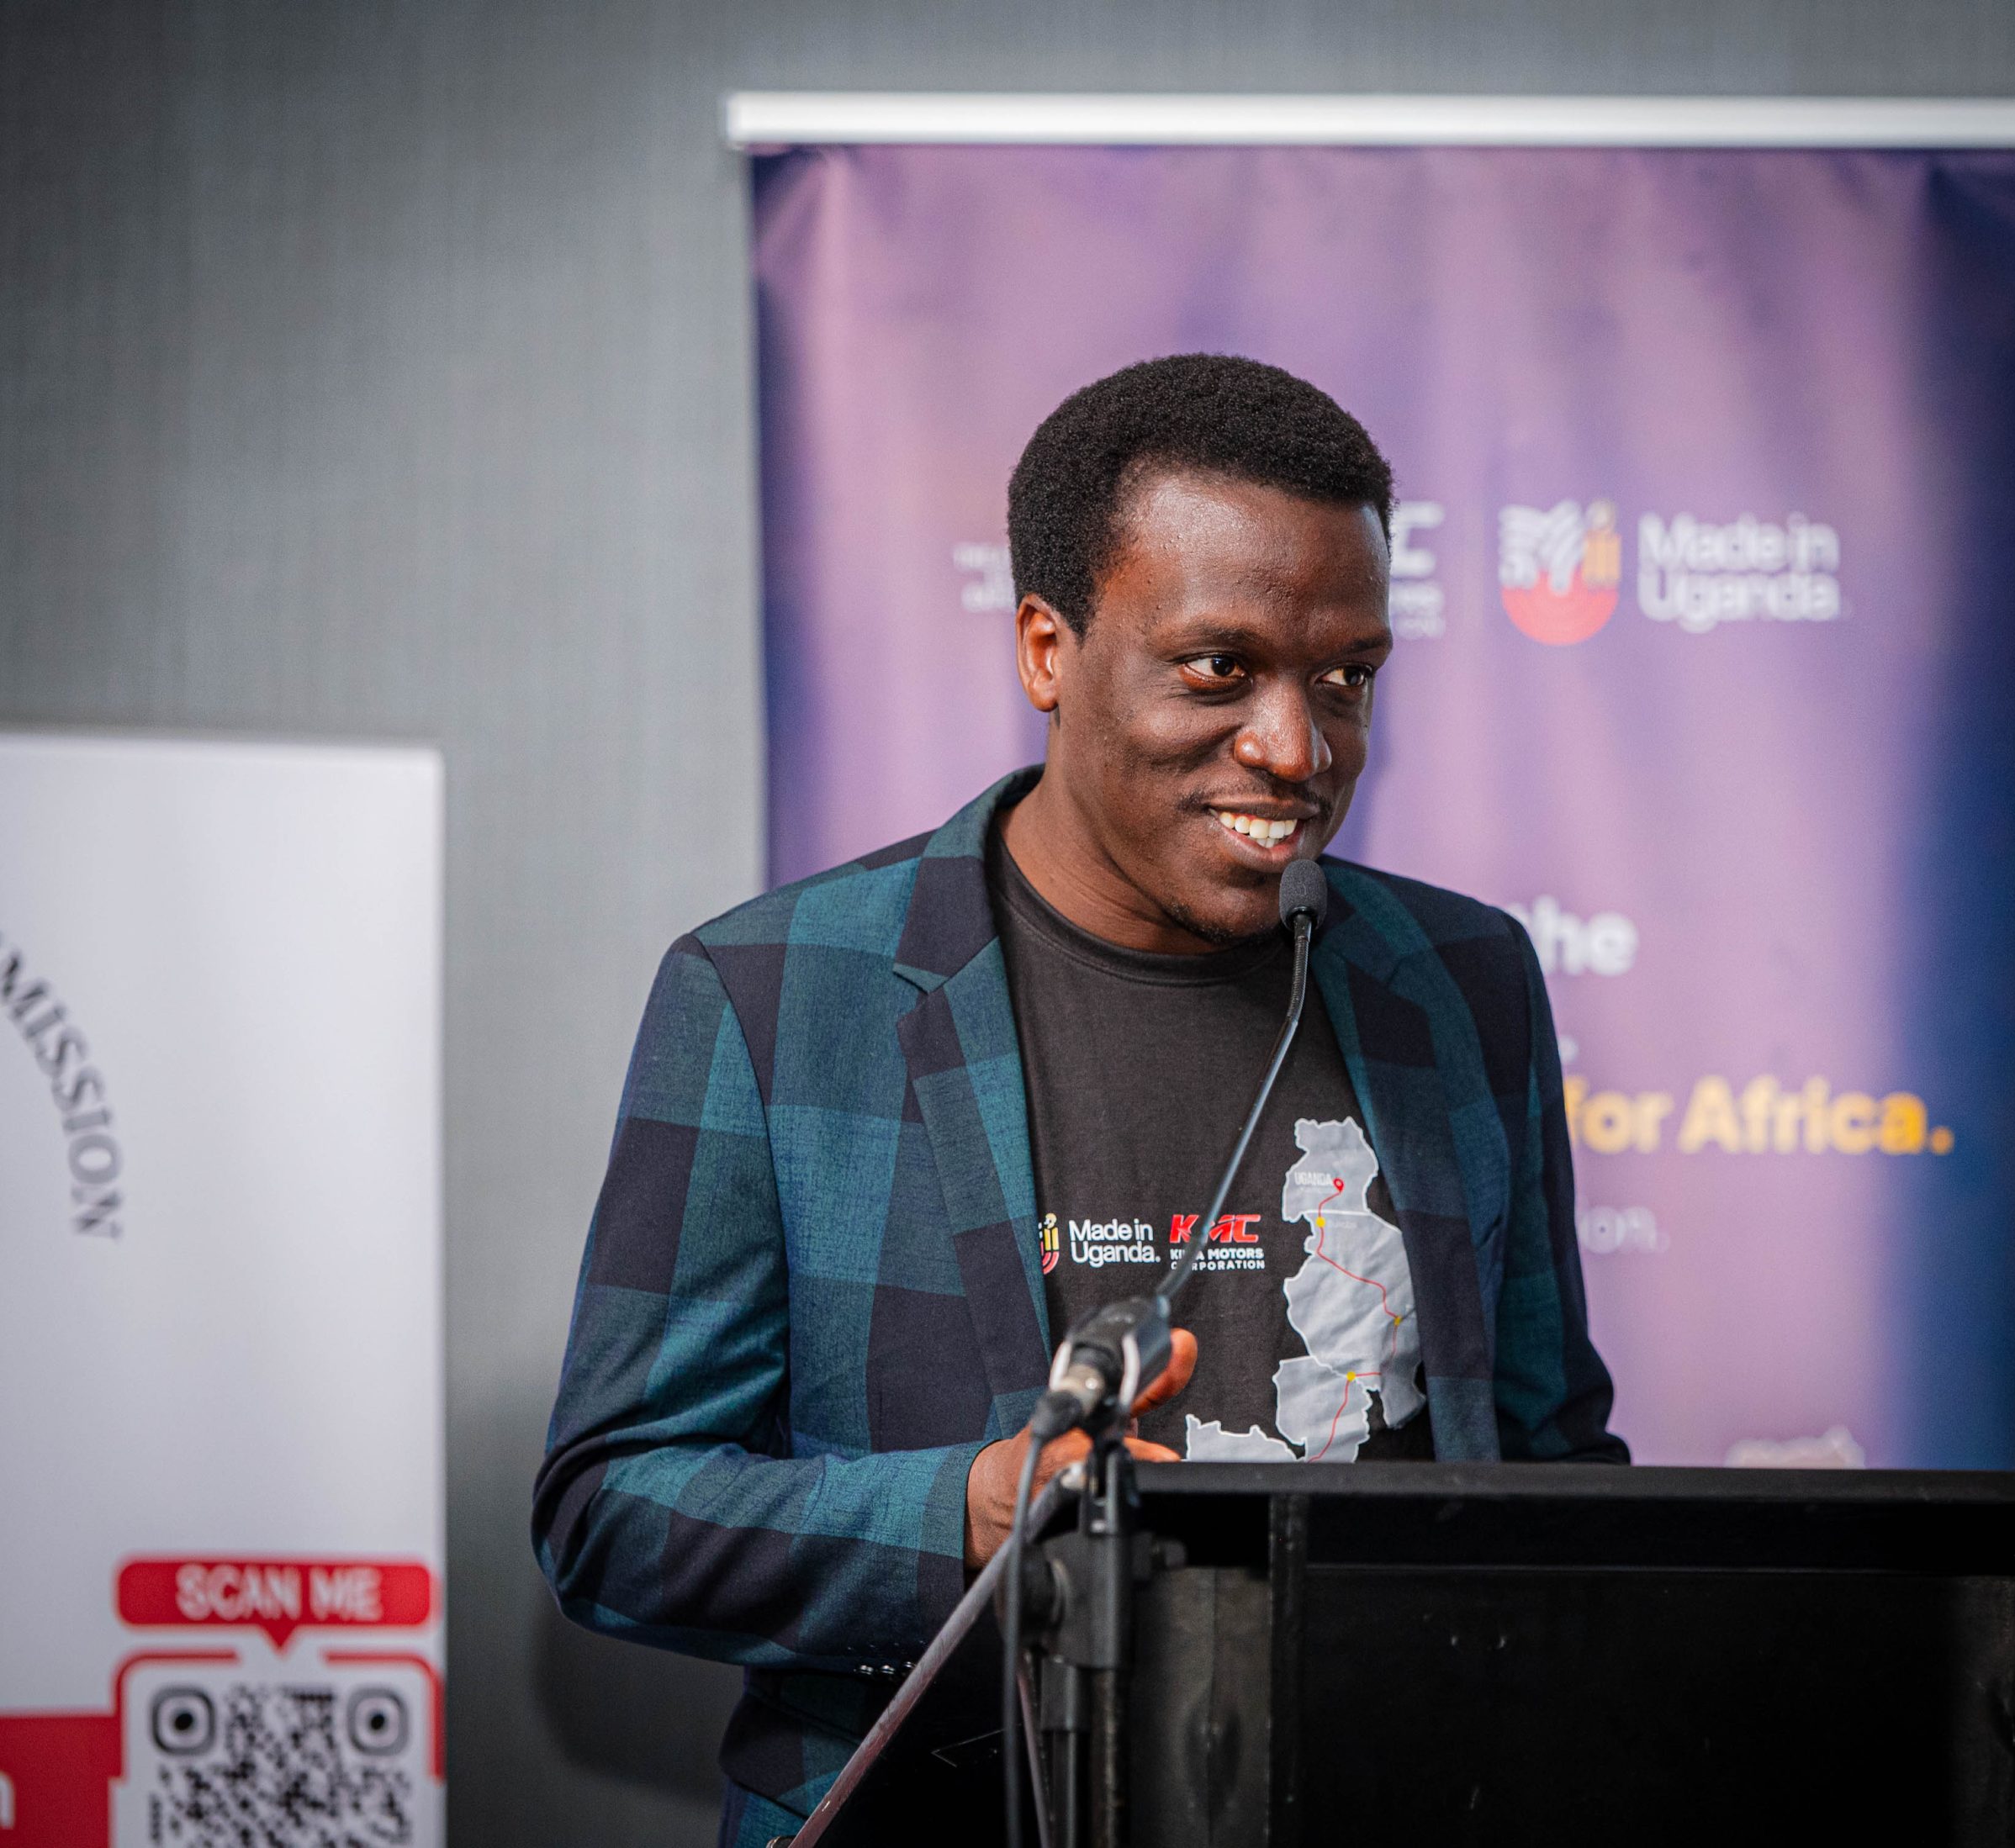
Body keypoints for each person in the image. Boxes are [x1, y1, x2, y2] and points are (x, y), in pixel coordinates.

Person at [532, 353, 1626, 1845]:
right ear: (1049, 648)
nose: (1297, 748)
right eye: (1219, 667)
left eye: (1347, 677)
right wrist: (963, 1517)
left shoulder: (1466, 981)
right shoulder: (776, 998)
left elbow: (1550, 1469)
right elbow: (609, 1510)